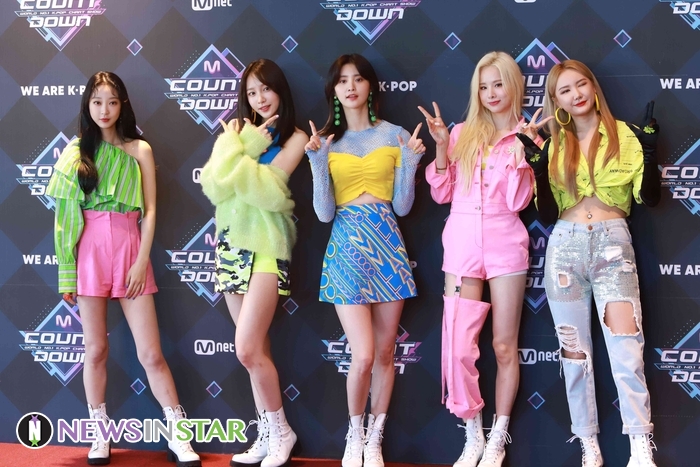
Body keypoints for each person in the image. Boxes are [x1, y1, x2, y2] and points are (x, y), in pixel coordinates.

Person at [46, 72, 200, 467]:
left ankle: (179, 436)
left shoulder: (139, 149)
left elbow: (151, 211)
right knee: (95, 350)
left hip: (132, 250)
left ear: (123, 105)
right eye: (97, 101)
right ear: (87, 105)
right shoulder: (75, 154)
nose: (104, 110)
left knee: (151, 353)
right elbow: (65, 220)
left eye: (112, 101)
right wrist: (67, 273)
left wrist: (141, 260)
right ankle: (99, 435)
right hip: (89, 252)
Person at [516, 59, 661, 467]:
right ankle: (587, 444)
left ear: (593, 87)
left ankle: (640, 447)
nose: (576, 94)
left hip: (614, 248)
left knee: (626, 349)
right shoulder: (553, 145)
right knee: (573, 354)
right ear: (556, 100)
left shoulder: (625, 135)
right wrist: (539, 170)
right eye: (565, 90)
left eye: (581, 84)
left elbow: (650, 198)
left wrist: (650, 154)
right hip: (565, 248)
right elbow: (547, 215)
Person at [418, 51, 549, 467]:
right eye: (484, 86)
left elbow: (518, 201)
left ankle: (497, 438)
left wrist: (522, 155)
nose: (491, 93)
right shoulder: (460, 133)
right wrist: (442, 148)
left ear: (514, 86)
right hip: (461, 243)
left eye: (499, 84)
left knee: (504, 345)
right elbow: (442, 192)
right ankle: (472, 433)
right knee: (458, 344)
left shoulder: (529, 137)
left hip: (505, 243)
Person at [305, 53, 424, 467]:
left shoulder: (395, 135)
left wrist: (410, 162)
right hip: (346, 249)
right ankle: (353, 436)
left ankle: (375, 438)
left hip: (388, 246)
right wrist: (318, 164)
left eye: (358, 79)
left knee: (386, 353)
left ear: (370, 85)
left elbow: (403, 206)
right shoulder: (325, 141)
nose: (351, 86)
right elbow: (324, 214)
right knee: (364, 355)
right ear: (334, 90)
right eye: (342, 81)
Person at [200, 58, 308, 467]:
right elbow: (213, 185)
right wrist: (242, 144)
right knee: (256, 349)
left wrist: (241, 152)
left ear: (280, 90)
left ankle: (282, 430)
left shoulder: (296, 137)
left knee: (245, 348)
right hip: (230, 245)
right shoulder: (237, 132)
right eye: (251, 92)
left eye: (266, 88)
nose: (260, 98)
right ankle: (267, 433)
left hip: (267, 246)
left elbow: (269, 188)